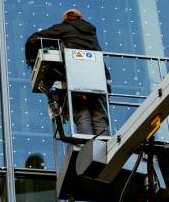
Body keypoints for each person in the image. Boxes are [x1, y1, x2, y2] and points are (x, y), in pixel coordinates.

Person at [25, 8, 110, 137]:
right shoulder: (91, 32)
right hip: (99, 78)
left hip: (77, 78)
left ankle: (89, 146)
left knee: (82, 115)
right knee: (100, 116)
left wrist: (31, 60)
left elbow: (33, 39)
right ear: (80, 17)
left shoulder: (65, 27)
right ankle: (105, 149)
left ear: (66, 18)